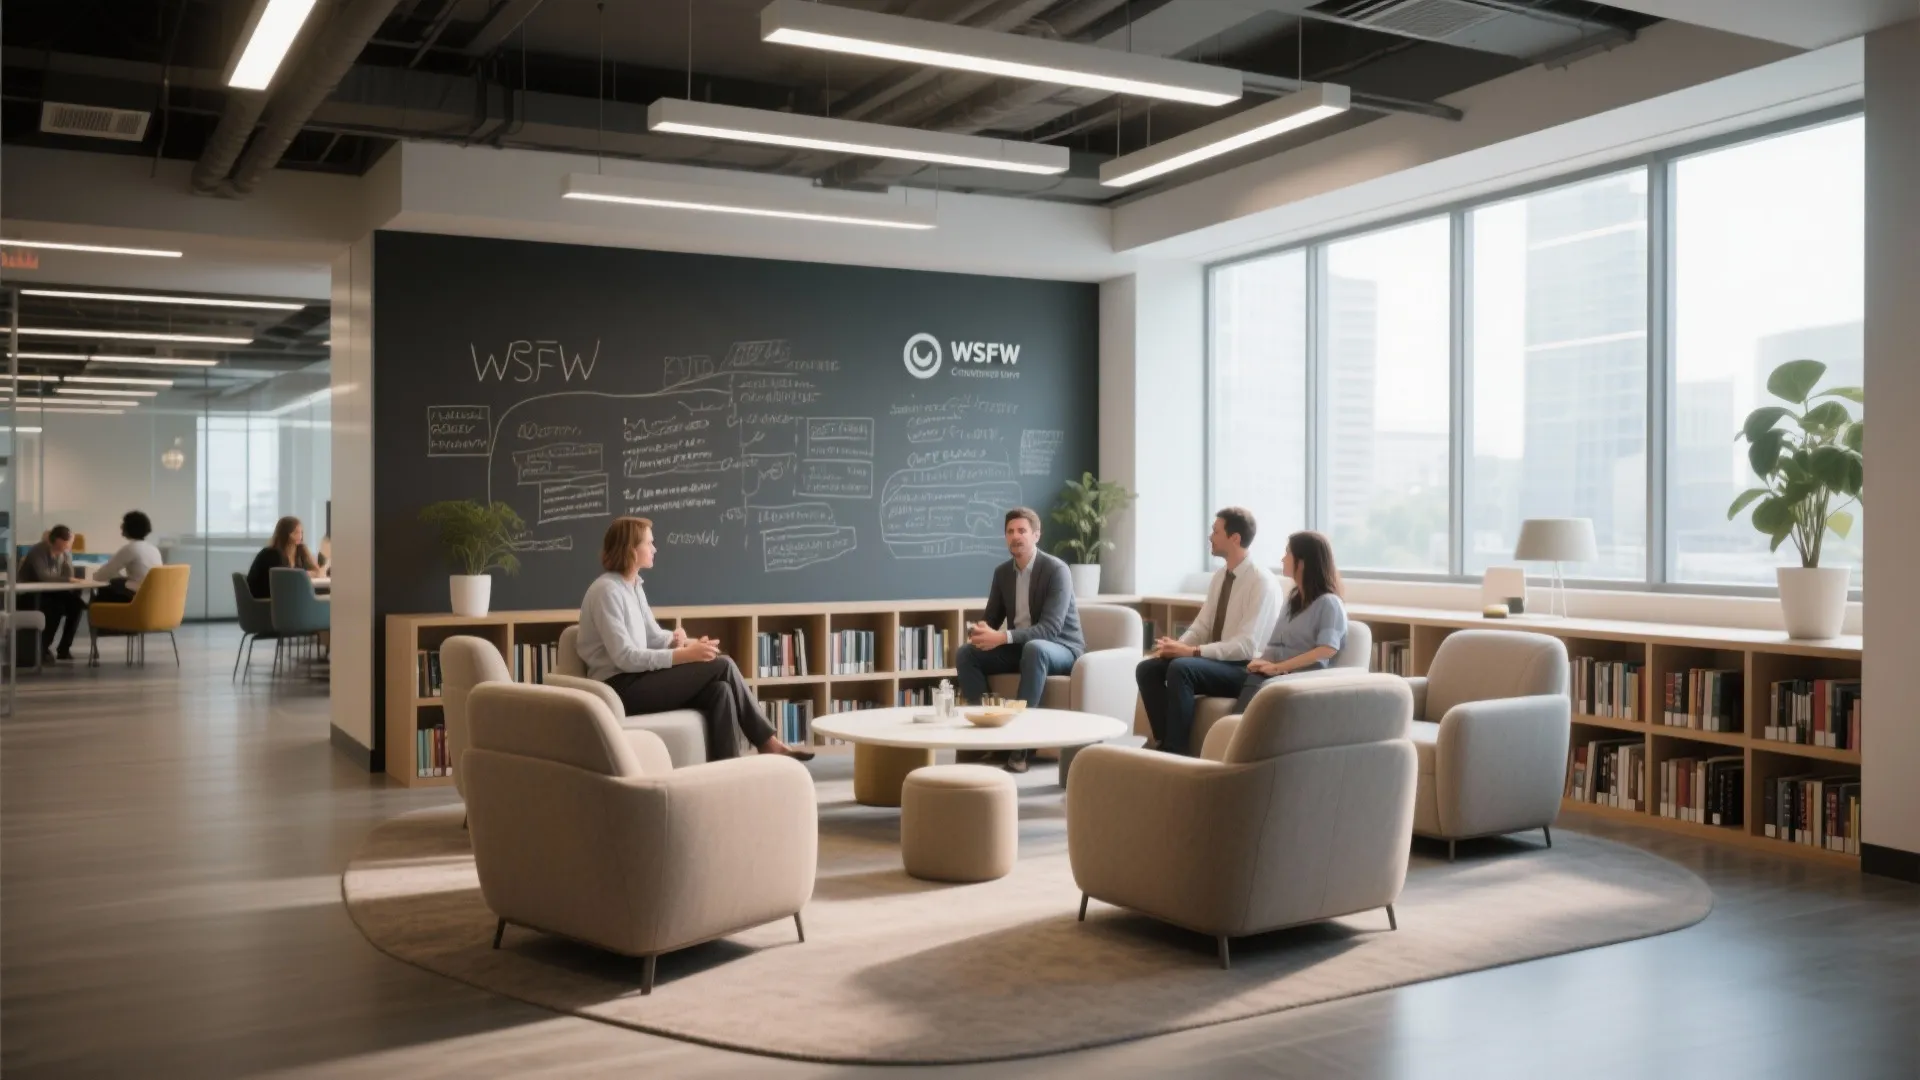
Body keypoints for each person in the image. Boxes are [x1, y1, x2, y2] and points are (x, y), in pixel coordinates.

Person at [577, 516, 813, 762]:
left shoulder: (633, 585)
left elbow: (652, 635)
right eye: (649, 543)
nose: (655, 549)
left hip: (637, 678)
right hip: (619, 689)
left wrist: (680, 640)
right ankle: (768, 743)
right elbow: (624, 657)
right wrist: (683, 655)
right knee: (723, 665)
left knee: (721, 690)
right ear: (631, 549)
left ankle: (728, 768)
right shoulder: (607, 591)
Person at [1134, 507, 1280, 756]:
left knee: (1182, 668)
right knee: (1147, 669)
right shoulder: (1220, 576)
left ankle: (1176, 751)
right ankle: (1165, 742)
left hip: (1245, 668)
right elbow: (1202, 626)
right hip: (1218, 662)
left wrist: (1192, 652)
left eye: (1216, 531)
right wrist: (1174, 648)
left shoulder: (1261, 581)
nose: (1210, 537)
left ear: (1235, 538)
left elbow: (1246, 646)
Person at [954, 507, 1085, 773]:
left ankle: (1021, 748)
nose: (1016, 536)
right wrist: (980, 631)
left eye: (1022, 531)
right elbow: (991, 619)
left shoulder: (1056, 570)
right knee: (966, 654)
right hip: (1021, 648)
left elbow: (1050, 629)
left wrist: (1002, 637)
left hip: (1062, 648)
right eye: (1010, 531)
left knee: (1035, 649)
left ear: (1036, 535)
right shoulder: (1002, 573)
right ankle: (986, 736)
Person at [1231, 531, 1349, 712]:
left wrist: (1278, 668)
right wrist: (1260, 662)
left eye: (1287, 553)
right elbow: (1275, 645)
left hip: (1300, 677)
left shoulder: (1329, 603)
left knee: (1254, 683)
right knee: (1216, 674)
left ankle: (1237, 727)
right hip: (1273, 671)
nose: (1282, 559)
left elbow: (1327, 650)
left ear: (1302, 563)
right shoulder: (1292, 600)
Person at [19, 524, 88, 661]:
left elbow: (69, 576)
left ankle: (64, 648)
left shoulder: (64, 553)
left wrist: (67, 557)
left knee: (76, 606)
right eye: (67, 543)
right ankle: (43, 649)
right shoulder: (38, 551)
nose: (69, 546)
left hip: (52, 593)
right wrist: (68, 579)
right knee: (56, 608)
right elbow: (43, 577)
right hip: (31, 594)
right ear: (57, 540)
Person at [92, 510, 162, 605]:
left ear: (129, 527)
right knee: (117, 583)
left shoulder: (131, 548)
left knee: (104, 591)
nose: (121, 526)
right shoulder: (153, 549)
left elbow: (101, 576)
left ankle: (95, 612)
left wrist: (93, 576)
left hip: (136, 598)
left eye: (123, 523)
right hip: (152, 599)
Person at [247, 516, 320, 599]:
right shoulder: (270, 553)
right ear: (284, 534)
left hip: (285, 596)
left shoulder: (300, 550)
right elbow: (284, 577)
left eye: (301, 532)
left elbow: (316, 571)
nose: (300, 536)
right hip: (267, 597)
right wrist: (304, 574)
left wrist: (306, 573)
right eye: (296, 532)